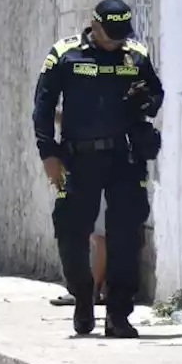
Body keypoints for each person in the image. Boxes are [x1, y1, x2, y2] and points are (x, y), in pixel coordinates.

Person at [32, 0, 164, 338]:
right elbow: (43, 107)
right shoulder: (65, 54)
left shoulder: (135, 54)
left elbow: (156, 94)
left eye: (121, 33)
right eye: (110, 33)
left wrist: (144, 100)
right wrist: (49, 154)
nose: (115, 40)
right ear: (94, 24)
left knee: (125, 234)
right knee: (69, 230)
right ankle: (82, 294)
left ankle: (118, 313)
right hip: (77, 158)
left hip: (124, 157)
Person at [50, 109, 107, 307]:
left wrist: (52, 112)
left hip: (97, 173)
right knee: (94, 235)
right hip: (99, 172)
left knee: (98, 236)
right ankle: (95, 289)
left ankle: (92, 292)